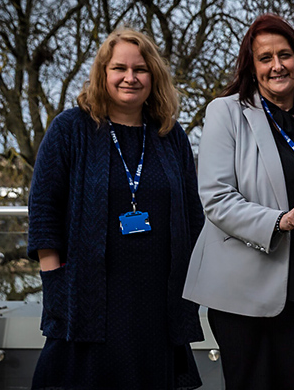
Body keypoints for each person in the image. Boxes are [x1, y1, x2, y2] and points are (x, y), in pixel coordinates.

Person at [27, 28, 204, 389]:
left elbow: (192, 213)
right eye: (119, 68)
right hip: (89, 296)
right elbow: (44, 210)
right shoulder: (70, 129)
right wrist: (57, 282)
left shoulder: (170, 135)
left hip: (157, 299)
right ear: (102, 73)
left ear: (153, 76)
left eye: (140, 69)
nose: (130, 77)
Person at [182, 14, 294, 389]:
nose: (277, 65)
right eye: (265, 58)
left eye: (285, 55)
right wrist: (279, 220)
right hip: (245, 294)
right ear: (251, 67)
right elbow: (216, 197)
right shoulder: (225, 112)